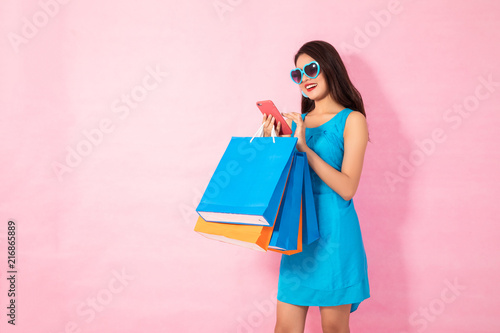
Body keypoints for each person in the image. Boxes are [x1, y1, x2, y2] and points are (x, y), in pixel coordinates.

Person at [262, 40, 370, 333]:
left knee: (334, 327)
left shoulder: (352, 120)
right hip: (300, 235)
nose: (305, 78)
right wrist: (272, 143)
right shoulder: (298, 122)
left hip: (335, 234)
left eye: (311, 69)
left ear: (330, 67)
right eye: (297, 74)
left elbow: (348, 188)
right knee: (284, 327)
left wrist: (305, 149)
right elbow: (283, 185)